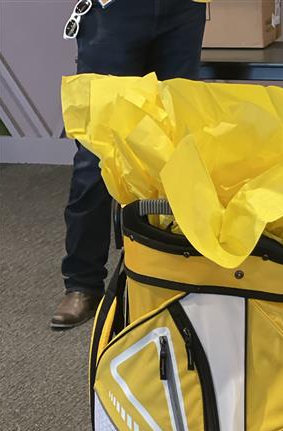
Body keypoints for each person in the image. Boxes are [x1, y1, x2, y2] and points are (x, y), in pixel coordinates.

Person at [51, 0, 209, 330]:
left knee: (173, 145)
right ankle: (82, 283)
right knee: (97, 152)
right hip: (113, 11)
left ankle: (167, 276)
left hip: (185, 9)